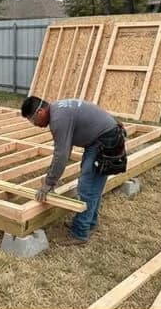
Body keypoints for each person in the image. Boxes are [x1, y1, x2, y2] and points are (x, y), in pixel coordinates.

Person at [21, 95, 125, 245]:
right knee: (93, 185)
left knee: (87, 186)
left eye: (32, 120)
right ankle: (89, 222)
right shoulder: (58, 108)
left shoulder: (58, 119)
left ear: (40, 112)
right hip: (103, 136)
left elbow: (62, 154)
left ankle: (80, 233)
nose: (35, 125)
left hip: (104, 140)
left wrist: (49, 182)